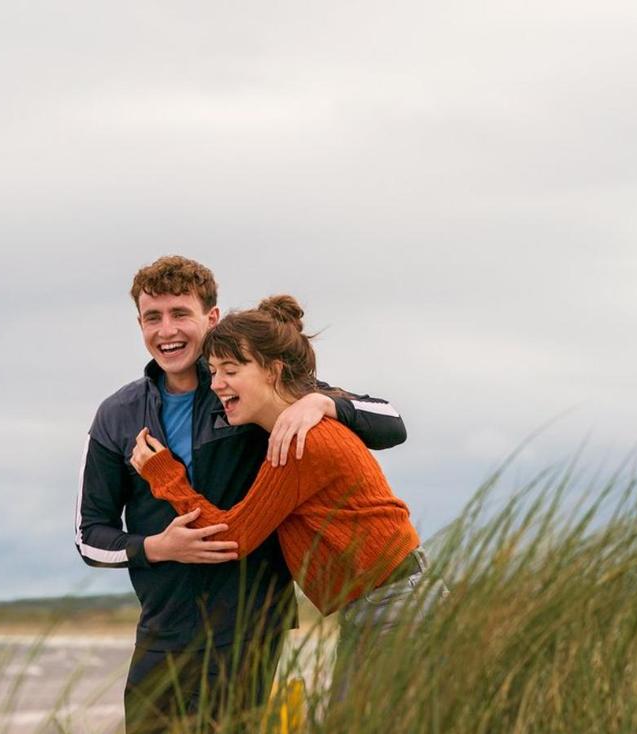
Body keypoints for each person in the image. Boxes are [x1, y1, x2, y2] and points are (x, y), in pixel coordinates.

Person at [74, 256, 408, 732]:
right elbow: (89, 535)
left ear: (211, 318)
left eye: (180, 314)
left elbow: (390, 421)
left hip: (251, 627)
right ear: (140, 325)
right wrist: (154, 547)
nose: (167, 330)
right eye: (153, 317)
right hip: (164, 628)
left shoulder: (250, 385)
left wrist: (321, 401)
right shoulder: (117, 416)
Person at [131, 294, 444, 701]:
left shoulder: (301, 440)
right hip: (384, 603)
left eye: (230, 370)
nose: (217, 383)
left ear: (274, 371)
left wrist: (166, 477)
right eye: (212, 372)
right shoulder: (288, 432)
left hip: (397, 608)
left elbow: (233, 536)